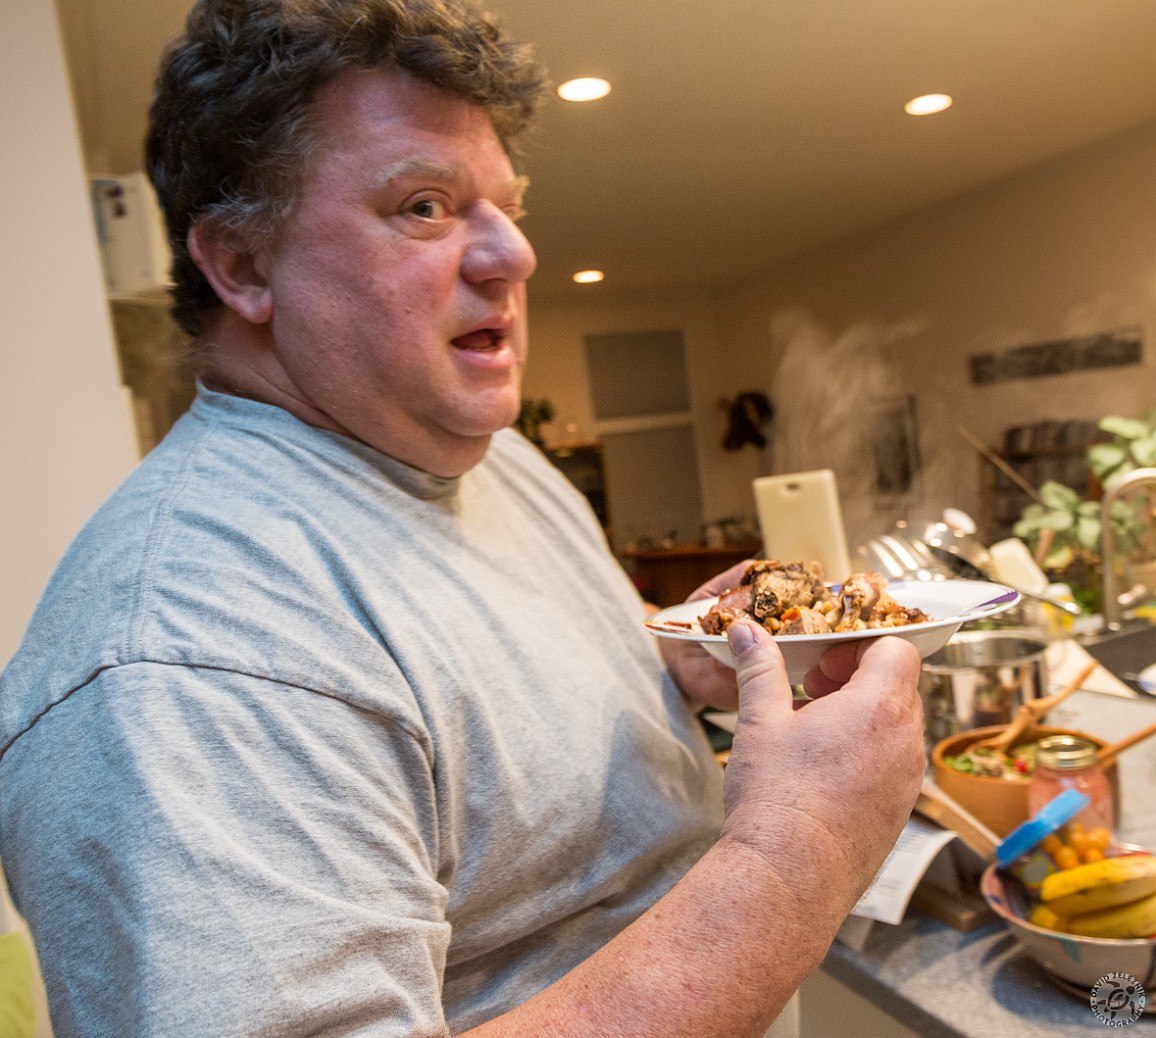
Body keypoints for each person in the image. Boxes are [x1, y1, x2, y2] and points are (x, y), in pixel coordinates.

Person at [0, 1, 927, 1035]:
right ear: (243, 266)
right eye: (424, 206)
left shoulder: (496, 460)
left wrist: (683, 674)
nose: (514, 255)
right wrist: (801, 857)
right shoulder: (184, 656)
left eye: (507, 205)